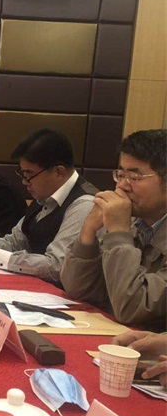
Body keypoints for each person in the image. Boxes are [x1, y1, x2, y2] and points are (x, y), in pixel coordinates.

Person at [0, 128, 97, 285]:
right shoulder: (44, 196)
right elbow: (16, 242)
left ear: (59, 172)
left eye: (29, 175)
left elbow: (56, 266)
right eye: (22, 174)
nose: (24, 181)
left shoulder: (85, 204)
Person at [61, 129, 166, 330]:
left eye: (134, 177)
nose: (122, 186)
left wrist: (119, 233)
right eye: (121, 175)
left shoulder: (121, 224)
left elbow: (131, 309)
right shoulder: (132, 221)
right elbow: (78, 289)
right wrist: (88, 231)